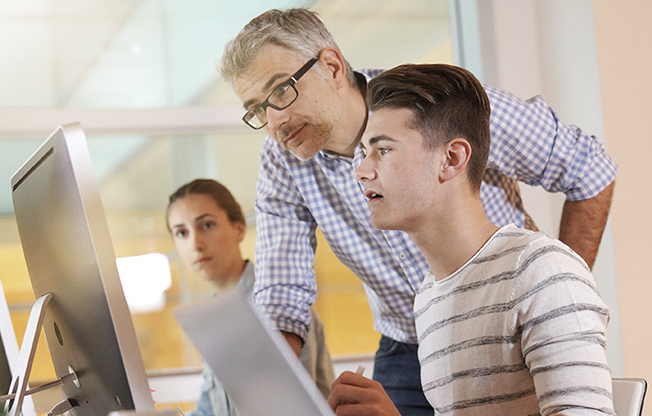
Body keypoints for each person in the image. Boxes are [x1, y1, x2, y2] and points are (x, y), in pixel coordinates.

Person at [219, 8, 617, 415]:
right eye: (257, 109)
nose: (274, 121)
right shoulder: (283, 162)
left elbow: (588, 170)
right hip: (416, 331)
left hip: (503, 316)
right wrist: (269, 395)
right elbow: (282, 293)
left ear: (331, 67)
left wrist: (557, 294)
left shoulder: (435, 106)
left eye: (281, 91)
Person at [328, 63, 613, 415]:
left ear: (451, 158)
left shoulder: (542, 273)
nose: (361, 170)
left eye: (383, 150)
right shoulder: (430, 298)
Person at [166, 179, 334, 415]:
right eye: (181, 232)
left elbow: (290, 409)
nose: (196, 244)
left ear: (239, 228)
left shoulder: (282, 300)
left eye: (206, 225)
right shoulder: (213, 317)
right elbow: (209, 411)